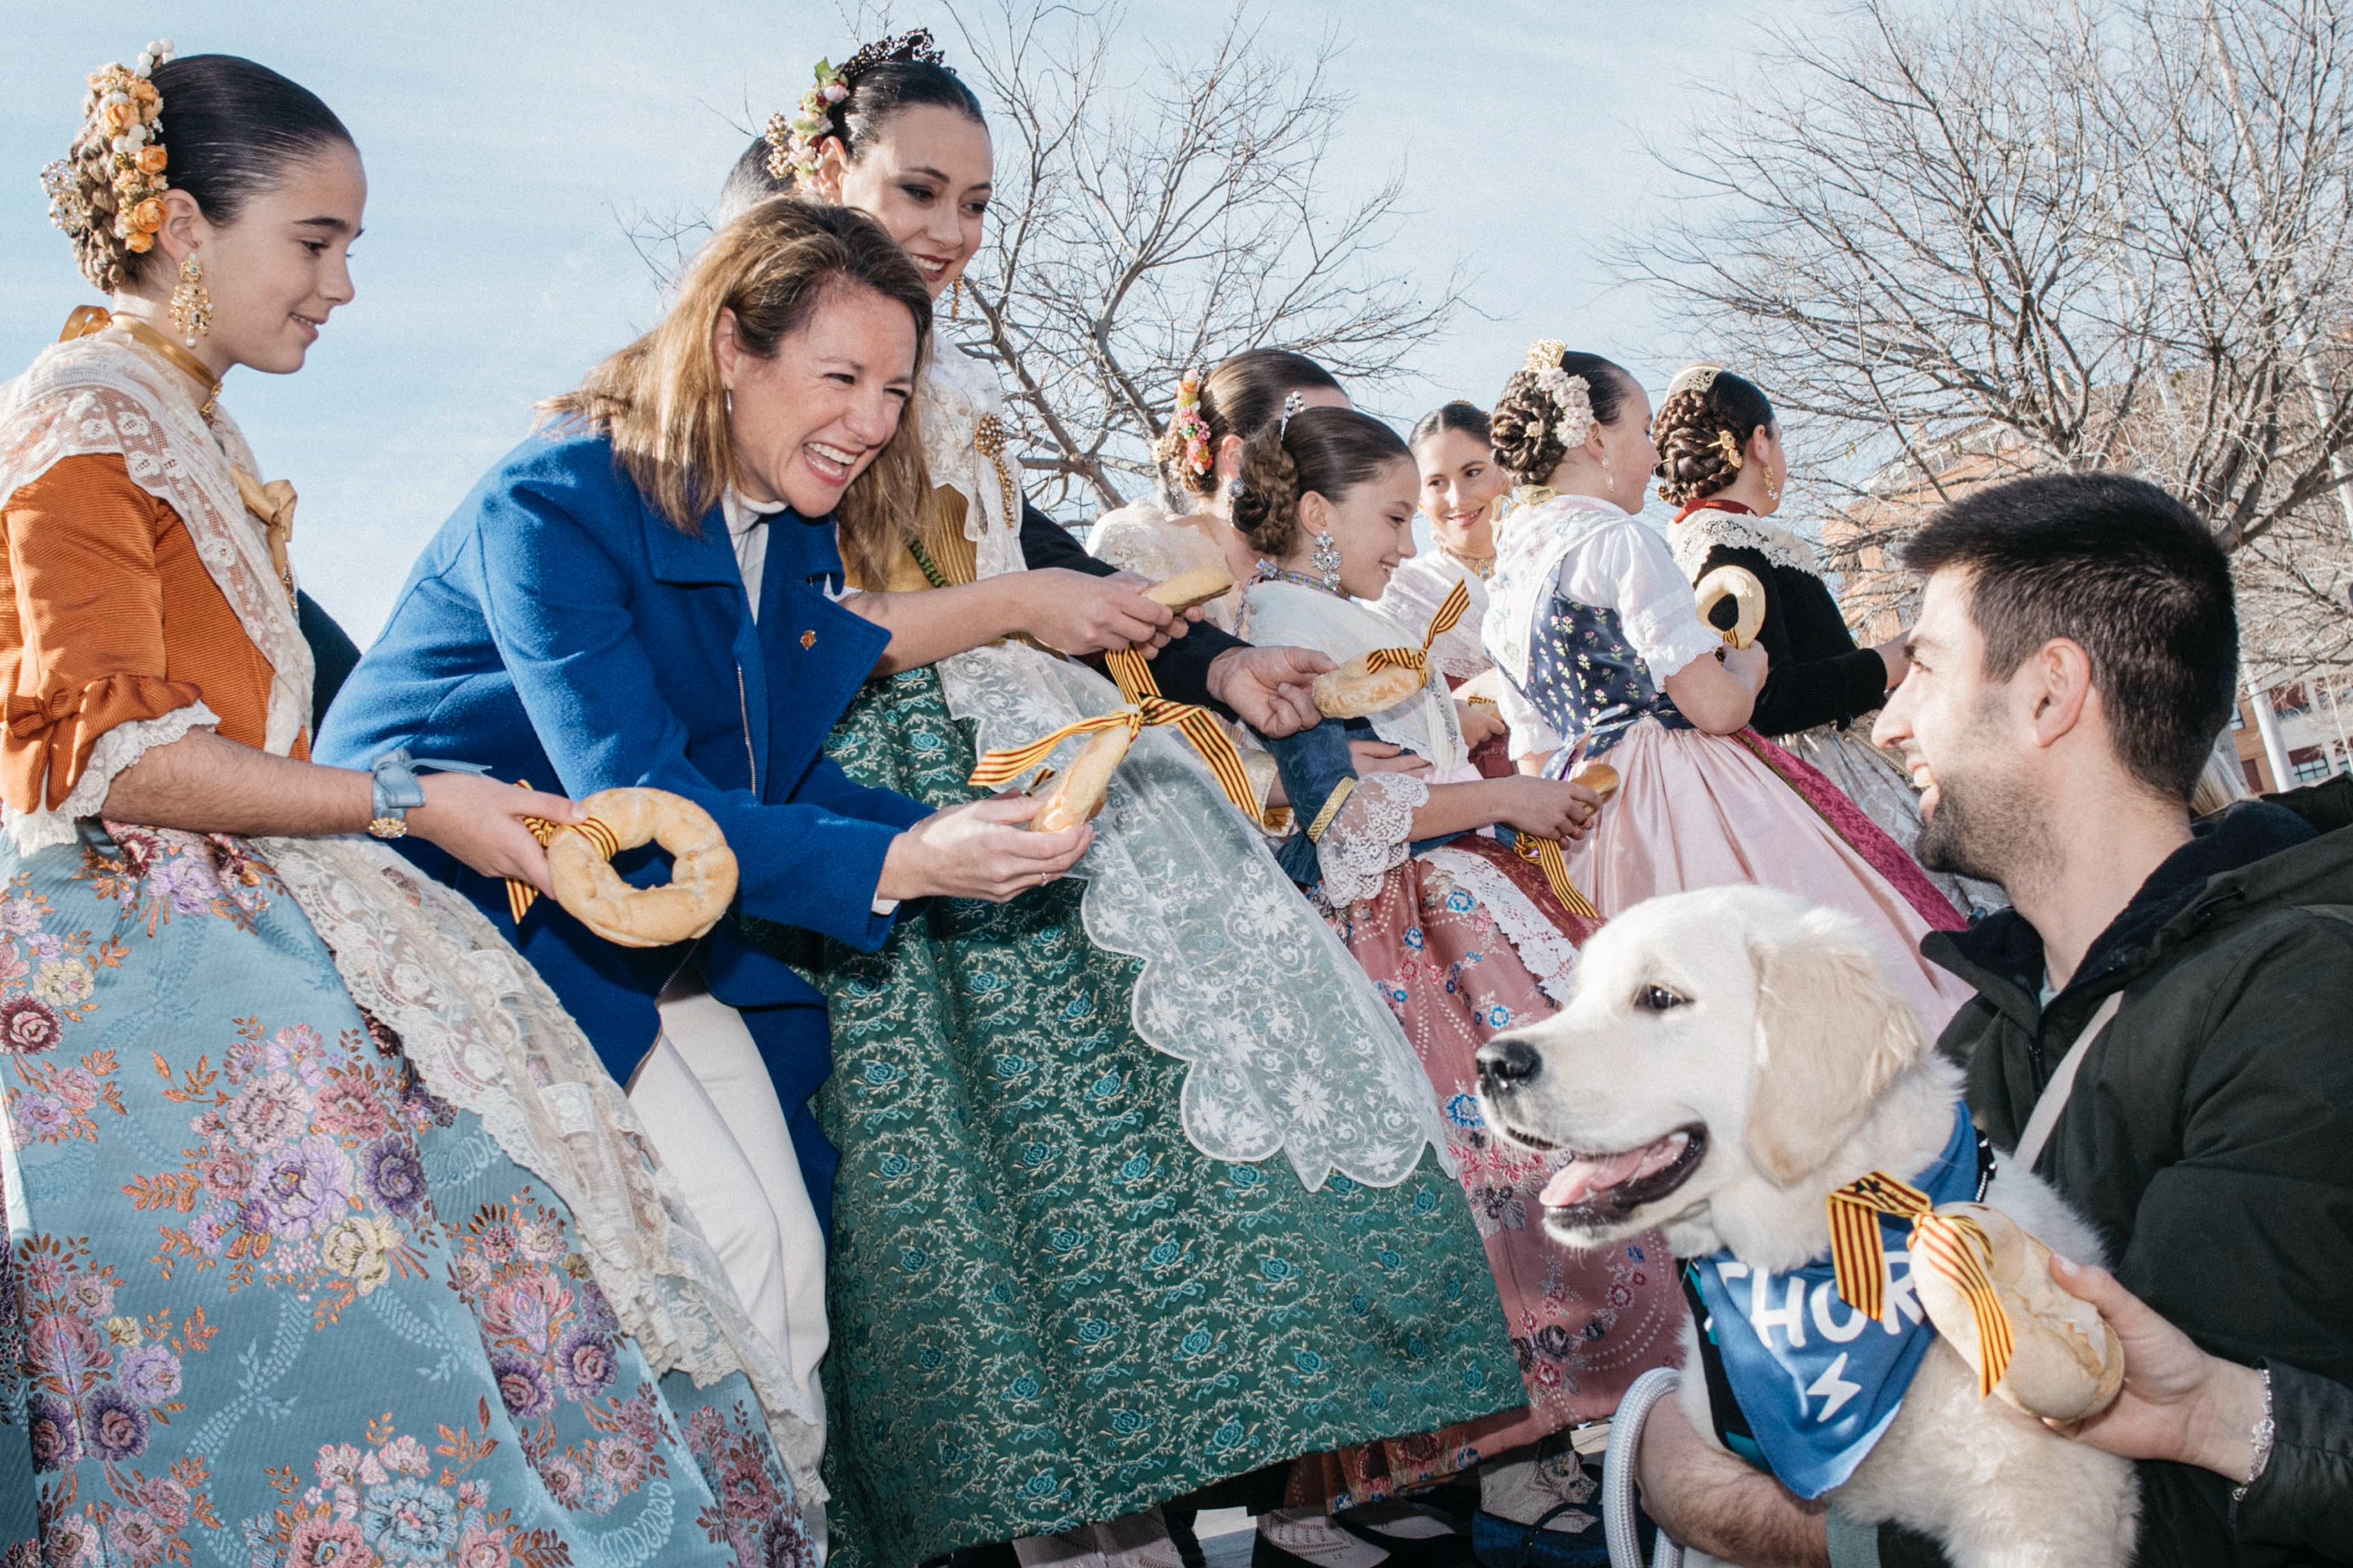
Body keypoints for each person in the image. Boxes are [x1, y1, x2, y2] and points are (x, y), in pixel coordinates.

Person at [703, 34, 1528, 1568]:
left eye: (975, 204)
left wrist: (1218, 670)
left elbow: (1053, 555)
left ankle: (1159, 1503)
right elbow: (801, 616)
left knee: (1182, 1148)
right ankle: (1069, 1516)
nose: (950, 229)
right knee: (1001, 1172)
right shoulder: (770, 383)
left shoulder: (936, 377)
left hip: (1051, 744)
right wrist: (1021, 604)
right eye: (919, 191)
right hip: (896, 777)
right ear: (828, 177)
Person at [2, 45, 820, 1565]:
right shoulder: (84, 415)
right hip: (162, 979)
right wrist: (404, 795)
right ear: (181, 223)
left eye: (352, 249)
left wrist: (447, 801)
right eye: (316, 242)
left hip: (254, 925)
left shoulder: (175, 416)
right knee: (331, 1393)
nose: (343, 288)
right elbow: (102, 757)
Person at [1634, 473, 2353, 1566]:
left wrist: (1700, 1479)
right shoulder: (1991, 1028)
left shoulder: (2298, 1002)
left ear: (2050, 693)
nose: (1890, 719)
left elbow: (2176, 1509)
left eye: (1924, 663)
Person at [1130, 401, 1688, 1545]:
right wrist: (1504, 798)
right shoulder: (1288, 614)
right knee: (1487, 1179)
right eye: (1391, 512)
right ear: (1320, 514)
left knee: (1515, 1174)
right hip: (1402, 925)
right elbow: (1344, 804)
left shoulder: (1338, 612)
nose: (1408, 533)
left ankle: (1525, 1439)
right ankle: (1484, 1448)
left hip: (1450, 896)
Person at [1479, 342, 1974, 1030]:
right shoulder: (1617, 542)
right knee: (1803, 975)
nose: (1655, 456)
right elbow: (1714, 708)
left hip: (1588, 813)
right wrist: (1746, 668)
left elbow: (1531, 753)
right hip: (1678, 791)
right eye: (1643, 430)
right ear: (1595, 438)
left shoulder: (1505, 586)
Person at [1649, 364, 2002, 918]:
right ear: (1759, 443)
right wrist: (1903, 654)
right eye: (1778, 436)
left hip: (1816, 772)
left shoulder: (1717, 537)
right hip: (1823, 779)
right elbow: (1766, 700)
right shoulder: (1721, 543)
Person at [1376, 402, 1516, 776]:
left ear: (1506, 472)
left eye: (1473, 472)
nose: (1457, 499)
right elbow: (1387, 718)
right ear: (1420, 500)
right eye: (1437, 483)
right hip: (1474, 806)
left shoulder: (1557, 565)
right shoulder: (1404, 595)